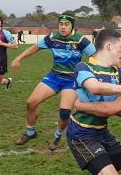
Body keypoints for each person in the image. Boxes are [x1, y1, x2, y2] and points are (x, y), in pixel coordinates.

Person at [67, 29, 121, 175]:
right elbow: (94, 88)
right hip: (82, 135)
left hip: (103, 132)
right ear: (109, 46)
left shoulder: (116, 72)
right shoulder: (84, 67)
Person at [11, 14, 96, 151]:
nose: (63, 27)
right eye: (60, 24)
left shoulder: (81, 40)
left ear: (72, 26)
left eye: (66, 24)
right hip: (54, 76)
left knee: (64, 112)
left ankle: (57, 135)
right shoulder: (52, 37)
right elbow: (34, 48)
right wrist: (18, 58)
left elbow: (96, 56)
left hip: (71, 80)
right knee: (31, 102)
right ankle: (30, 132)